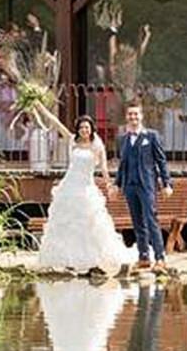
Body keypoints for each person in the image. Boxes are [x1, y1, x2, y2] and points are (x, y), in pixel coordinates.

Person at [38, 115, 137, 273]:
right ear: (78, 130)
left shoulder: (97, 145)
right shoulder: (73, 141)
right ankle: (66, 258)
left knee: (89, 222)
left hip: (86, 187)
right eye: (81, 127)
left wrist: (109, 185)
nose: (84, 130)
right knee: (67, 222)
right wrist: (39, 106)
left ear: (91, 129)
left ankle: (90, 259)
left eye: (87, 127)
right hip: (69, 186)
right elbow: (56, 123)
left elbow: (104, 168)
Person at [111, 104, 173, 272]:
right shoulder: (123, 139)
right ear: (126, 117)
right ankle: (143, 256)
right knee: (137, 221)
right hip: (130, 185)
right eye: (130, 114)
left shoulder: (151, 136)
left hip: (147, 185)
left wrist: (166, 183)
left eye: (136, 114)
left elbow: (161, 161)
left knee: (151, 218)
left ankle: (160, 257)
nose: (133, 117)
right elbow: (122, 165)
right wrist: (117, 184)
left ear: (141, 116)